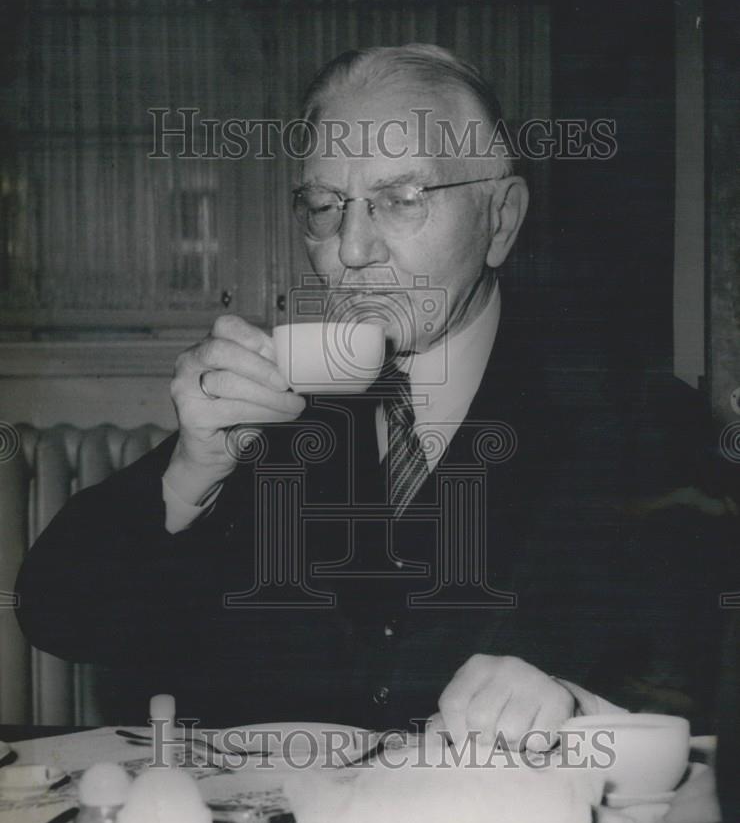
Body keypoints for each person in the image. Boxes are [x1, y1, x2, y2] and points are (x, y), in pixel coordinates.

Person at [13, 45, 701, 738]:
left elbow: (697, 671)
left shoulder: (635, 420)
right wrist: (190, 470)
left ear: (500, 220)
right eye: (323, 206)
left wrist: (578, 708)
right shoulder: (279, 407)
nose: (348, 249)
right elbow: (58, 614)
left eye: (399, 201)